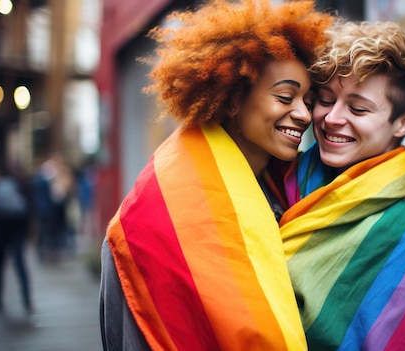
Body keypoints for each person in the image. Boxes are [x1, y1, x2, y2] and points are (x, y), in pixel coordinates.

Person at [98, 0, 334, 350]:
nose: (302, 113)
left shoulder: (292, 188)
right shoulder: (159, 209)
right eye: (285, 96)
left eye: (309, 100)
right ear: (235, 98)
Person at [269, 20, 405, 350]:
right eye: (326, 99)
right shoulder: (275, 180)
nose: (332, 118)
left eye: (358, 108)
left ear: (404, 122)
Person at [0, 165, 33, 313]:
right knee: (20, 264)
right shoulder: (19, 184)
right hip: (17, 230)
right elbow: (28, 208)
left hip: (0, 231)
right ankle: (27, 299)